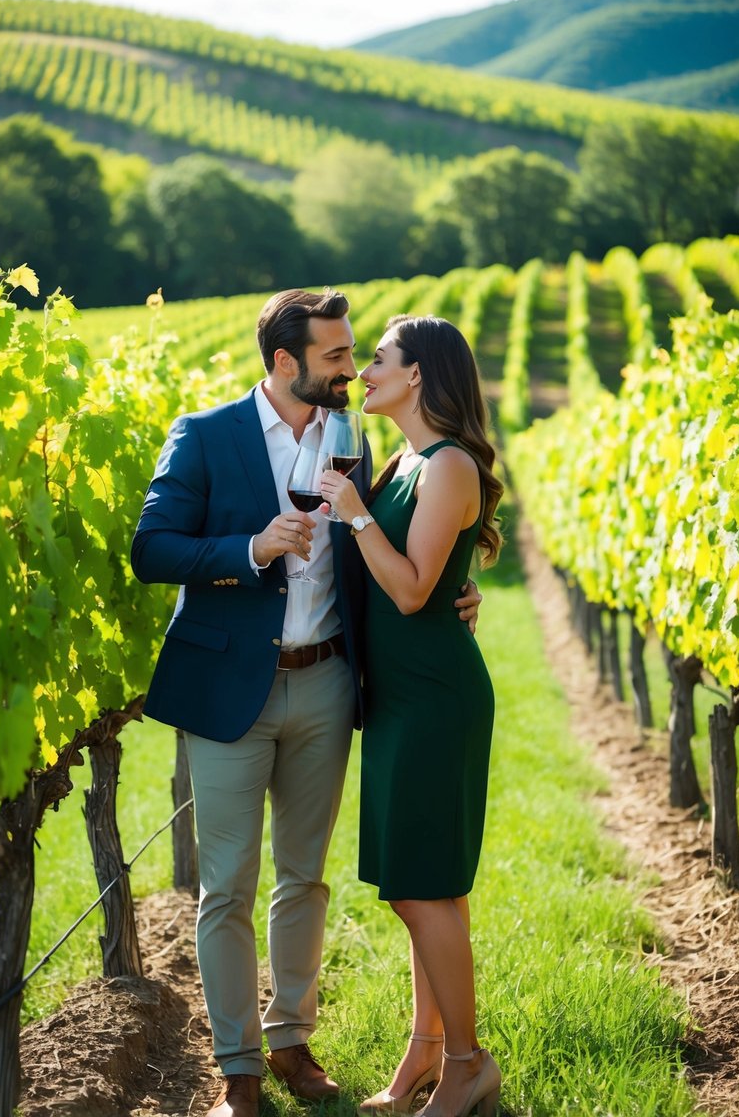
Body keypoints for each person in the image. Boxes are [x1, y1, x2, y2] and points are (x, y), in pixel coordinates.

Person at [131, 289, 483, 1117]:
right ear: (286, 362)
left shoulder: (354, 439)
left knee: (304, 879)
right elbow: (151, 549)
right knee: (226, 887)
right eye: (335, 356)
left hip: (328, 680)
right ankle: (237, 1070)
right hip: (229, 690)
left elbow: (408, 539)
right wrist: (250, 547)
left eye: (357, 354)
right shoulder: (206, 435)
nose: (350, 368)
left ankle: (289, 1040)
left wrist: (457, 589)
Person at [320, 313, 503, 1117]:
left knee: (420, 889)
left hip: (434, 700)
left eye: (379, 360)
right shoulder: (403, 462)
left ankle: (466, 1063)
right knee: (427, 886)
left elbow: (410, 588)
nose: (364, 373)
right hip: (401, 697)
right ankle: (426, 1054)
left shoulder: (448, 465)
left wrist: (354, 512)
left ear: (419, 374)